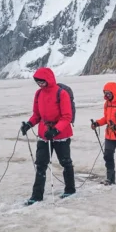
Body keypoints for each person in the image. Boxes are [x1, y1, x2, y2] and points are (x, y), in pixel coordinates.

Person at [20, 67, 76, 204]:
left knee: (65, 162)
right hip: (44, 135)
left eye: (42, 82)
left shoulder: (61, 94)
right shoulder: (38, 94)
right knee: (40, 164)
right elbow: (37, 115)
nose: (40, 84)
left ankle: (70, 189)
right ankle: (36, 196)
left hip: (61, 135)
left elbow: (67, 117)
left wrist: (55, 130)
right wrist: (29, 124)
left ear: (48, 79)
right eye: (38, 82)